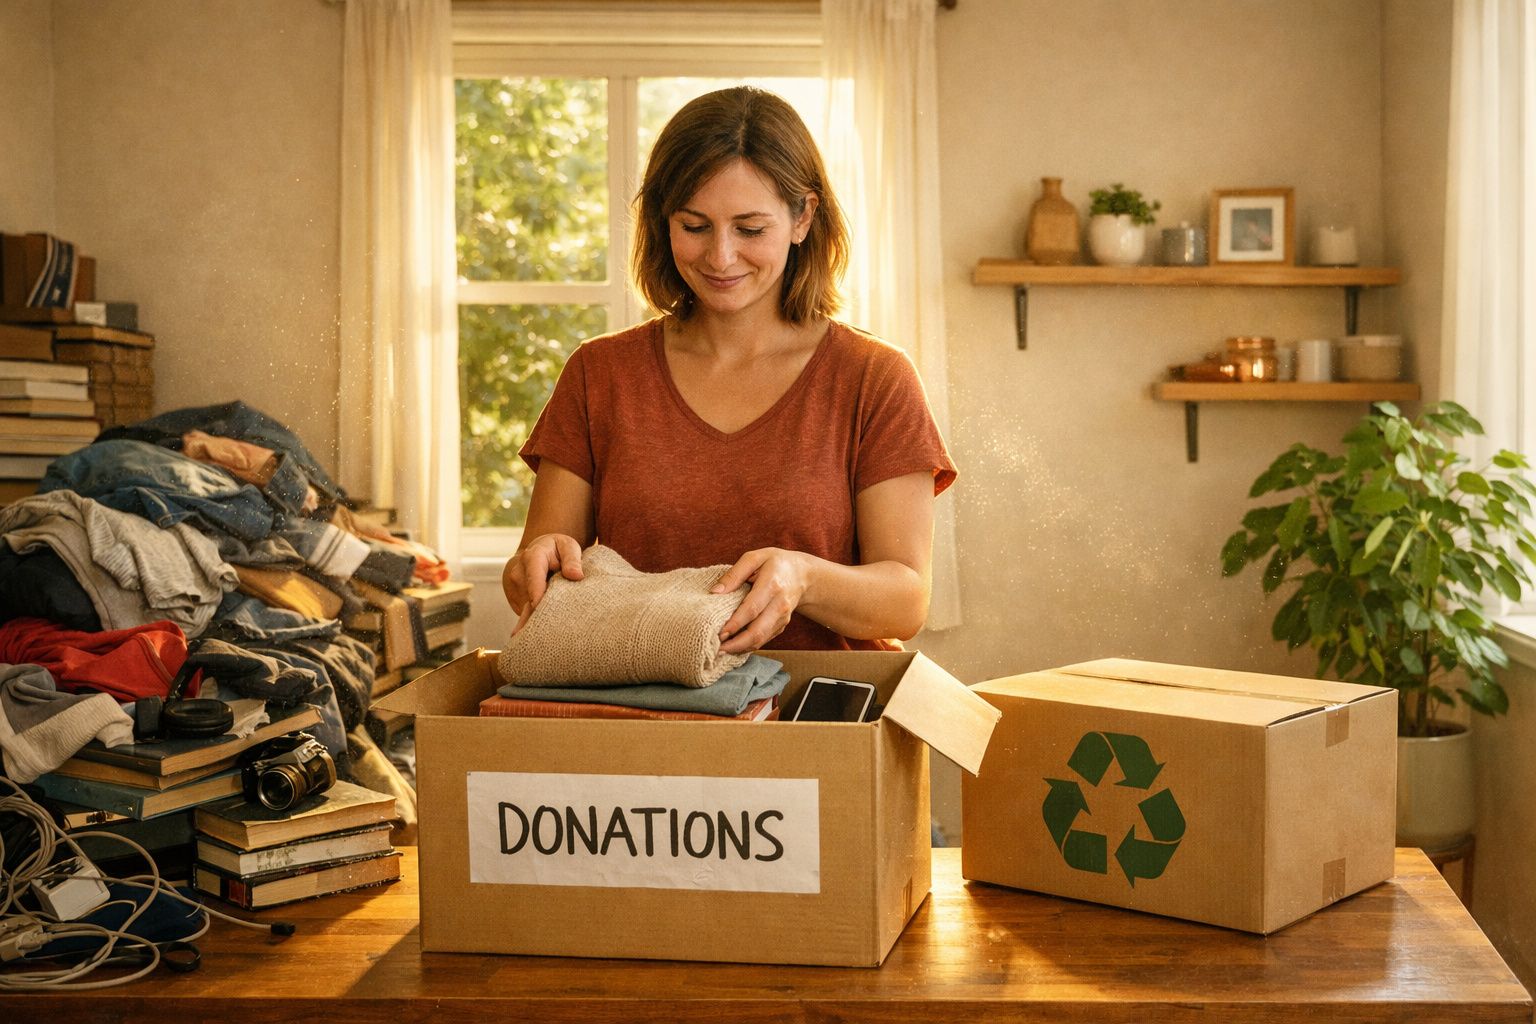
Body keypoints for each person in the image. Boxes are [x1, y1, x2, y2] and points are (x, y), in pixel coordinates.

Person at [501, 86, 956, 653]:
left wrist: (803, 577)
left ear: (802, 217)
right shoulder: (599, 374)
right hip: (633, 718)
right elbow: (535, 568)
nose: (720, 257)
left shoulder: (873, 379)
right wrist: (537, 564)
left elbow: (905, 601)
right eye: (694, 226)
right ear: (663, 223)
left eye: (749, 229)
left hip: (813, 720)